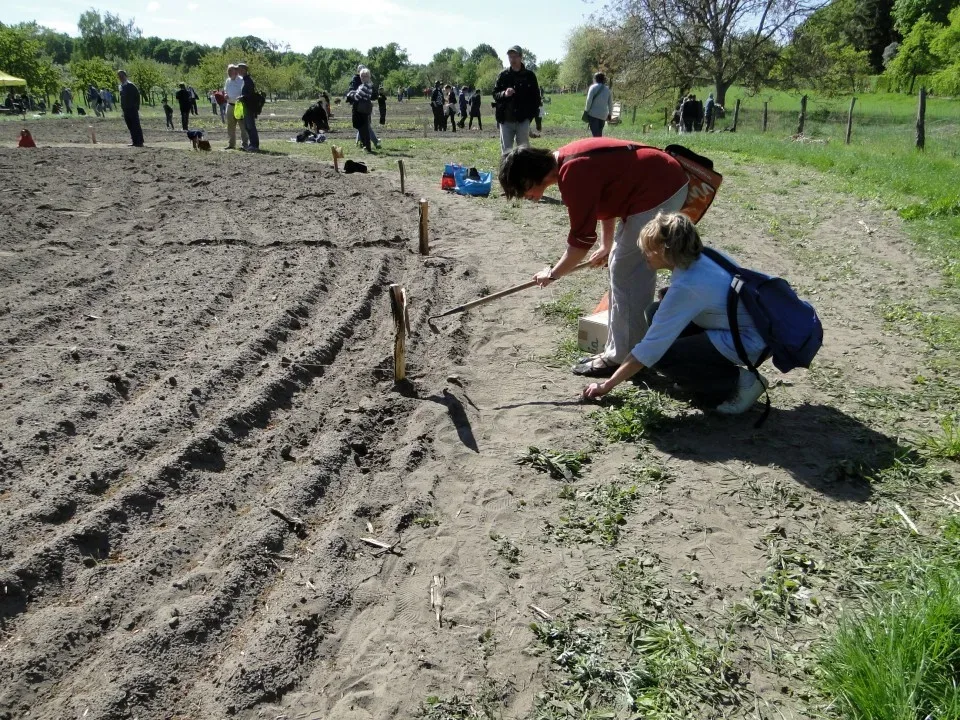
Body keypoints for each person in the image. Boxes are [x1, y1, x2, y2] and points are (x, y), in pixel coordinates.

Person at [498, 139, 690, 378]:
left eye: (523, 192)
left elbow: (579, 244)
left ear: (529, 177)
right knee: (621, 267)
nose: (527, 197)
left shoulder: (573, 175)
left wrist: (553, 273)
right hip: (656, 182)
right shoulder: (567, 163)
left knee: (627, 270)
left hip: (661, 186)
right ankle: (619, 350)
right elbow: (605, 202)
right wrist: (607, 244)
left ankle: (626, 357)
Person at [581, 213, 768, 415]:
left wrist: (606, 385)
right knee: (655, 311)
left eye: (648, 248)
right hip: (745, 326)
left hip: (751, 341)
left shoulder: (688, 287)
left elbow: (650, 350)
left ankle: (739, 382)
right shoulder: (705, 256)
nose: (643, 252)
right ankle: (697, 373)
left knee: (662, 356)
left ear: (663, 250)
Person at [493, 45, 540, 154]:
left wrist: (529, 117)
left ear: (521, 57)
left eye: (515, 57)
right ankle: (508, 171)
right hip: (506, 120)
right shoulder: (503, 75)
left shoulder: (530, 76)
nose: (512, 60)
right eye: (510, 57)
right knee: (506, 152)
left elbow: (536, 99)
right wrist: (504, 93)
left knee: (524, 152)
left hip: (523, 120)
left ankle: (524, 171)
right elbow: (495, 94)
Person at [348, 68, 375, 152]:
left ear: (369, 76)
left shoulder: (364, 86)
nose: (363, 78)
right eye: (362, 76)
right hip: (364, 108)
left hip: (361, 108)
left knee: (362, 128)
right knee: (364, 127)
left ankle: (366, 146)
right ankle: (366, 145)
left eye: (365, 76)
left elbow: (357, 97)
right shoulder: (368, 85)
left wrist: (351, 94)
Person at [236, 62, 260, 152]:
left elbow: (250, 95)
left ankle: (255, 145)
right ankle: (252, 144)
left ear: (243, 70)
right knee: (247, 126)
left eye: (238, 69)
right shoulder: (245, 80)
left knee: (251, 126)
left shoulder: (248, 81)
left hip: (249, 107)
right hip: (245, 107)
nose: (237, 71)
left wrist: (242, 97)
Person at [117, 70, 144, 147]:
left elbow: (137, 96)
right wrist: (122, 108)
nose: (121, 78)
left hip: (132, 108)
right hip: (125, 109)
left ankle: (140, 141)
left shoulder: (131, 85)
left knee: (136, 125)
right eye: (119, 76)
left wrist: (136, 107)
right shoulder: (121, 86)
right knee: (130, 125)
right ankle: (134, 141)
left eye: (122, 76)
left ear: (125, 76)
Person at [224, 65, 248, 149]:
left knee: (242, 126)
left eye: (232, 71)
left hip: (239, 105)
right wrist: (226, 95)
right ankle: (231, 144)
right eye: (229, 71)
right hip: (230, 105)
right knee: (230, 126)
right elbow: (225, 91)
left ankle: (244, 144)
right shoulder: (228, 81)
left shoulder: (242, 80)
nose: (230, 73)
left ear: (236, 71)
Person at [584, 73, 613, 138]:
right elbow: (610, 103)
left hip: (593, 114)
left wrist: (586, 111)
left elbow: (589, 101)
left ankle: (597, 147)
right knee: (599, 134)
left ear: (595, 79)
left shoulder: (592, 87)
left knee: (595, 135)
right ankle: (600, 146)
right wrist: (610, 114)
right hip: (603, 115)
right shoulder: (607, 90)